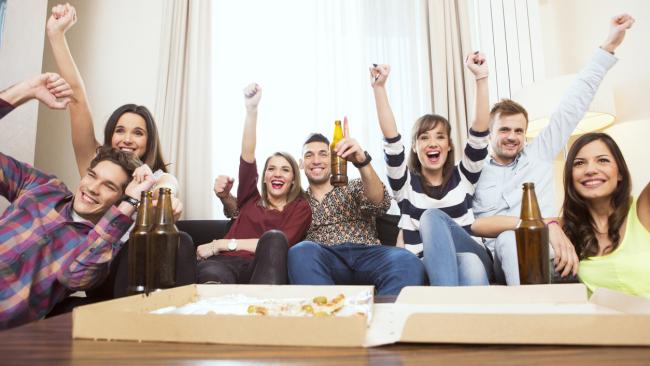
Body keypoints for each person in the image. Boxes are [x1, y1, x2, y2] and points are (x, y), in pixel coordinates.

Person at [472, 14, 634, 285]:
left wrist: (609, 45)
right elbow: (472, 224)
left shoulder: (539, 154)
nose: (512, 137)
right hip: (501, 260)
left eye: (518, 131)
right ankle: (535, 313)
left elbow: (572, 105)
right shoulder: (473, 172)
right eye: (504, 130)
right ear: (489, 133)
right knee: (509, 238)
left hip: (551, 255)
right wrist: (547, 221)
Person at [1, 76, 155, 328]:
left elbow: (75, 277)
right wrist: (24, 91)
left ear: (119, 199)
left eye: (109, 186)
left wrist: (131, 201)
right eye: (92, 176)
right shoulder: (43, 187)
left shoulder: (102, 246)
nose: (92, 188)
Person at [370, 53, 493, 286]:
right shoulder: (405, 186)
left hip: (470, 248)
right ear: (415, 148)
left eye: (440, 137)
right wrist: (379, 88)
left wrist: (481, 77)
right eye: (424, 137)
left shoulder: (464, 177)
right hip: (428, 264)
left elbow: (479, 134)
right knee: (469, 264)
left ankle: (441, 305)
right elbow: (391, 141)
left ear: (448, 146)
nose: (433, 143)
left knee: (435, 220)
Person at [45, 4, 181, 211]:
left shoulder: (159, 178)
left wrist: (153, 189)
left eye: (138, 133)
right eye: (120, 130)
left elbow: (167, 188)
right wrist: (56, 35)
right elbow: (77, 98)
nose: (127, 139)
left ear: (150, 140)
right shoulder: (96, 164)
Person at [196, 83, 311, 285]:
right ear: (264, 177)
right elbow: (247, 155)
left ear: (293, 179)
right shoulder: (250, 198)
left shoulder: (300, 208)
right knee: (212, 274)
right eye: (271, 169)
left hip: (264, 269)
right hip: (225, 264)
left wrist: (221, 244)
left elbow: (279, 245)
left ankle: (262, 310)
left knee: (274, 239)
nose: (277, 174)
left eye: (285, 170)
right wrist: (251, 110)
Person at [561, 133, 649, 297]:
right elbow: (506, 223)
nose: (591, 170)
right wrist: (551, 228)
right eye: (579, 163)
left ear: (620, 173)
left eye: (603, 160)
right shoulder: (569, 226)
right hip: (604, 322)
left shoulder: (643, 209)